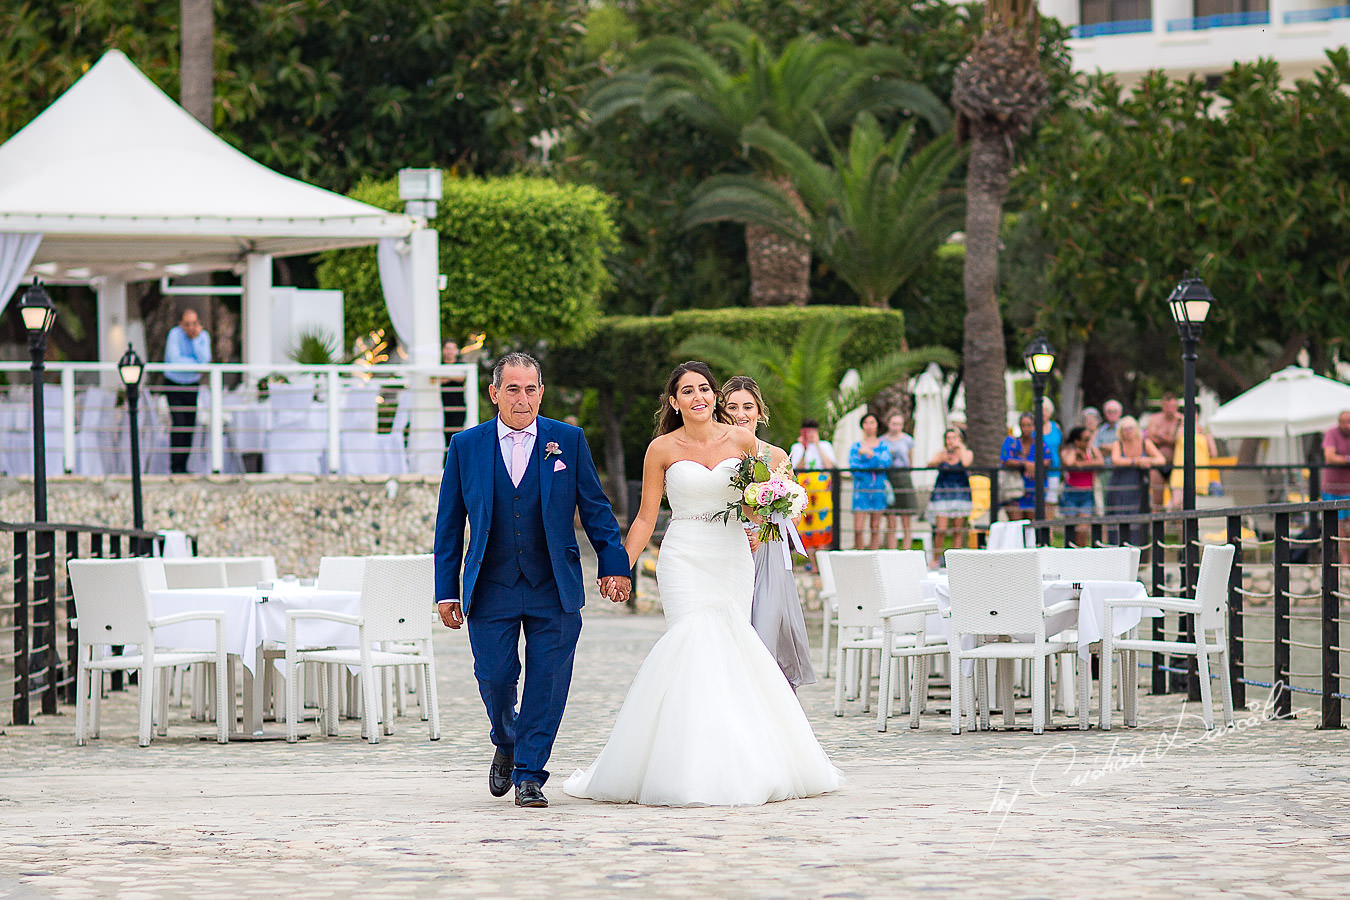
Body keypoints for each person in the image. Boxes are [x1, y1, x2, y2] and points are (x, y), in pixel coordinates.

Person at [564, 362, 841, 806]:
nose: (699, 397)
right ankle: (683, 763)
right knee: (692, 643)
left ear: (714, 397)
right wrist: (620, 567)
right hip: (684, 555)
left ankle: (739, 760)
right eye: (687, 391)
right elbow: (644, 518)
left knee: (733, 648)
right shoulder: (660, 449)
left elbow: (757, 507)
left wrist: (769, 509)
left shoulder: (743, 441)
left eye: (705, 389)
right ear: (674, 402)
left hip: (732, 555)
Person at [434, 352, 632, 810]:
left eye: (530, 389)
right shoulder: (466, 446)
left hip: (553, 584)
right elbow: (449, 525)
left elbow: (596, 509)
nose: (522, 399)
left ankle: (529, 774)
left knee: (548, 682)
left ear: (541, 392)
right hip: (490, 584)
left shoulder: (569, 440)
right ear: (494, 393)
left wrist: (614, 564)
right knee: (495, 676)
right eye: (512, 389)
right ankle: (505, 738)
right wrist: (446, 590)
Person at [721, 375, 817, 690]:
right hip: (728, 549)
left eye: (748, 406)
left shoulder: (776, 456)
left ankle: (770, 699)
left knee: (765, 629)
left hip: (768, 552)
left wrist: (763, 531)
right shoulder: (716, 455)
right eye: (733, 406)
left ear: (760, 412)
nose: (741, 413)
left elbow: (795, 512)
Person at [162, 308, 211, 474]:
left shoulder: (202, 337)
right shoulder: (174, 335)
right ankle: (175, 466)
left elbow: (205, 361)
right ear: (181, 324)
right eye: (187, 324)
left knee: (190, 424)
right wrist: (195, 364)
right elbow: (174, 360)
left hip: (191, 385)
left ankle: (184, 466)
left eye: (194, 324)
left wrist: (196, 341)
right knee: (179, 423)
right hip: (173, 384)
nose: (191, 327)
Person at [1107, 416, 1166, 544]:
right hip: (1120, 485)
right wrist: (1137, 461)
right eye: (1124, 429)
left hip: (1138, 487)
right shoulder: (1118, 444)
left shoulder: (1145, 442)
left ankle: (1136, 550)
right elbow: (1116, 460)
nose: (1128, 431)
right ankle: (1116, 547)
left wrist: (1148, 461)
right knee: (1118, 516)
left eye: (1130, 428)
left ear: (1136, 429)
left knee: (1137, 519)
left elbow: (1161, 459)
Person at [788, 419, 836, 565]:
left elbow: (830, 465)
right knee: (807, 525)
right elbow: (796, 469)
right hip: (806, 491)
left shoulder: (825, 445)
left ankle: (823, 563)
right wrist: (805, 448)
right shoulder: (797, 447)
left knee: (823, 524)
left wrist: (817, 445)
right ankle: (813, 563)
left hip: (821, 493)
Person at [925, 428, 973, 569]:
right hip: (942, 494)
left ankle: (955, 562)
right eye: (948, 438)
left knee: (958, 530)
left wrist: (960, 448)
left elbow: (965, 463)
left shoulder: (966, 452)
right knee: (941, 529)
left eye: (954, 437)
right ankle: (935, 559)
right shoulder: (941, 454)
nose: (950, 441)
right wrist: (942, 458)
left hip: (960, 494)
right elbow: (930, 464)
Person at [848, 412, 891, 550]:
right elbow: (854, 466)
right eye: (867, 423)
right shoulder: (856, 446)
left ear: (877, 425)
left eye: (872, 422)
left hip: (878, 489)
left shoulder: (883, 445)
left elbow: (886, 463)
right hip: (861, 490)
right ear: (862, 426)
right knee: (859, 527)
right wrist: (873, 464)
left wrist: (869, 454)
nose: (870, 426)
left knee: (875, 525)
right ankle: (859, 554)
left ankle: (874, 554)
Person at [1000, 413, 1051, 521]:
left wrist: (1034, 465)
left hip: (1033, 489)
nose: (1026, 428)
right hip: (1014, 488)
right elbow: (1006, 459)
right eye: (1023, 425)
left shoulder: (1039, 443)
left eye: (1029, 425)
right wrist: (1025, 464)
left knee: (1032, 526)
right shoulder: (1012, 441)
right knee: (1016, 525)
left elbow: (1047, 460)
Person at [880, 411, 919, 550]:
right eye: (894, 424)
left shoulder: (907, 440)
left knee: (906, 518)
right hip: (888, 479)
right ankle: (892, 551)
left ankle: (906, 550)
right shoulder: (882, 440)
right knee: (891, 519)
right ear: (888, 423)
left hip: (904, 478)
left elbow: (910, 460)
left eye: (899, 424)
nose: (896, 427)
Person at [1060, 425, 1104, 545]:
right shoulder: (1068, 451)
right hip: (1071, 492)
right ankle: (1070, 554)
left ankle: (1082, 553)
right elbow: (1069, 462)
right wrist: (1076, 452)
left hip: (1087, 493)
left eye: (1089, 438)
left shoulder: (1092, 450)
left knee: (1082, 529)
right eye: (1085, 439)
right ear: (1077, 441)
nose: (1088, 442)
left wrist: (1083, 463)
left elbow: (1101, 462)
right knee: (1070, 528)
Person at [1322, 410, 1350, 567]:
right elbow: (1330, 456)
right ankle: (1344, 562)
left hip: (1349, 489)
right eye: (1343, 422)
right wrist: (1347, 459)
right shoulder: (1331, 434)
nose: (1346, 425)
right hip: (1332, 489)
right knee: (1338, 527)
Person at [1145, 392, 1182, 509]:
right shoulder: (1155, 419)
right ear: (1162, 407)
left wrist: (1161, 437)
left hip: (1175, 464)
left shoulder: (1181, 420)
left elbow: (1177, 440)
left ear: (1176, 407)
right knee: (1157, 501)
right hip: (1158, 466)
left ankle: (1178, 527)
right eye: (1166, 407)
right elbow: (1150, 438)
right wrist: (1169, 439)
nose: (1169, 410)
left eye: (1172, 407)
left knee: (1178, 502)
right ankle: (1158, 526)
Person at [439, 340, 467, 450]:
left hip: (458, 406)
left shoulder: (462, 366)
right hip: (441, 407)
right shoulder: (439, 364)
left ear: (456, 351)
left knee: (457, 435)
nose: (449, 351)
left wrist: (446, 377)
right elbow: (438, 381)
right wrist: (452, 375)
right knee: (444, 437)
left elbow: (462, 377)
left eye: (452, 349)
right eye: (447, 348)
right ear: (443, 350)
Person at [1040, 397, 1063, 519]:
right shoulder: (1033, 427)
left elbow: (1060, 447)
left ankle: (1049, 531)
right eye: (1041, 409)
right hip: (1038, 470)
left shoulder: (1056, 427)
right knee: (1039, 499)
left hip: (1054, 469)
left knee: (1051, 500)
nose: (1043, 412)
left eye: (1046, 410)